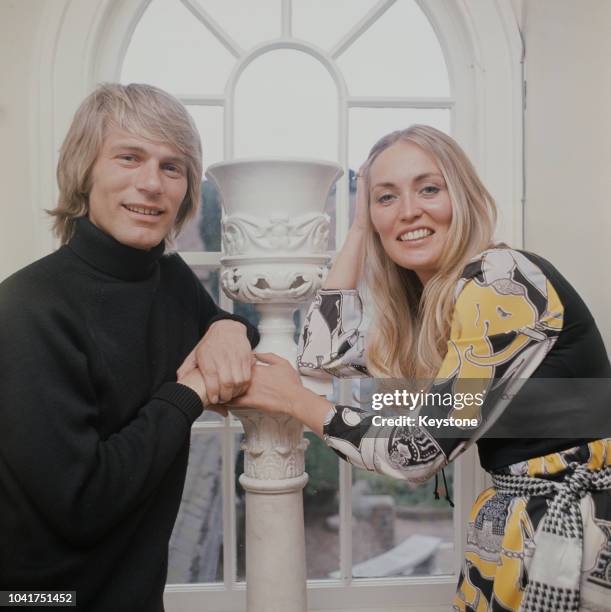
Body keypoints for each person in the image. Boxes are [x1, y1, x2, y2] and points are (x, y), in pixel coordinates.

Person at [232, 125, 611, 611]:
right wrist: (357, 231)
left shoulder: (502, 281)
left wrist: (295, 400)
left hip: (573, 533)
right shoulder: (436, 308)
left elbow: (413, 453)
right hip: (523, 523)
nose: (409, 210)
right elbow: (320, 354)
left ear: (464, 196)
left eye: (429, 188)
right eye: (385, 198)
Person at [0, 83, 258, 611]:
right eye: (128, 157)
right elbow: (82, 503)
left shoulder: (166, 276)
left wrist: (228, 329)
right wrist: (187, 394)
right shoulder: (26, 307)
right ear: (84, 170)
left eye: (172, 167)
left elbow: (219, 325)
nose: (151, 184)